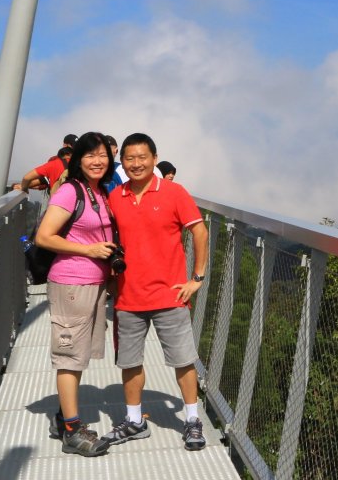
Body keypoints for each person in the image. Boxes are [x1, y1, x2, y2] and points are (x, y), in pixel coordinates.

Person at [104, 133, 209, 451]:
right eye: (129, 158)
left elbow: (199, 230)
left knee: (183, 359)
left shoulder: (175, 192)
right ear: (122, 161)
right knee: (129, 361)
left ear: (154, 158)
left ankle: (191, 419)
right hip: (128, 294)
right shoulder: (115, 197)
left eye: (142, 157)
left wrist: (197, 278)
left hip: (170, 293)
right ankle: (135, 420)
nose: (136, 164)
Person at [34, 132, 118, 457]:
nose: (97, 161)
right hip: (71, 284)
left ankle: (64, 417)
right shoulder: (70, 192)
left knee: (78, 355)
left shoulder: (97, 192)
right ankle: (71, 431)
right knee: (70, 357)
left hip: (93, 285)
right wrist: (89, 249)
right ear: (78, 159)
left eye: (103, 155)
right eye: (90, 155)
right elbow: (44, 236)